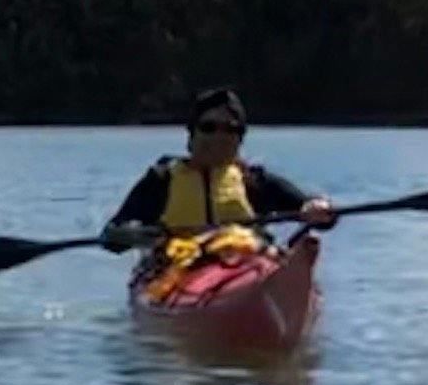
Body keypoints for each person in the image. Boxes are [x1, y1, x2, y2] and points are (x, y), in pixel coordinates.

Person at [101, 88, 335, 292]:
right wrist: (134, 234)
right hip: (180, 269)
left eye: (230, 129)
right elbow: (112, 236)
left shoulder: (253, 181)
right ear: (192, 136)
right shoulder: (161, 181)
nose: (219, 136)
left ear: (239, 139)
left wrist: (316, 209)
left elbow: (319, 215)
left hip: (245, 265)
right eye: (208, 127)